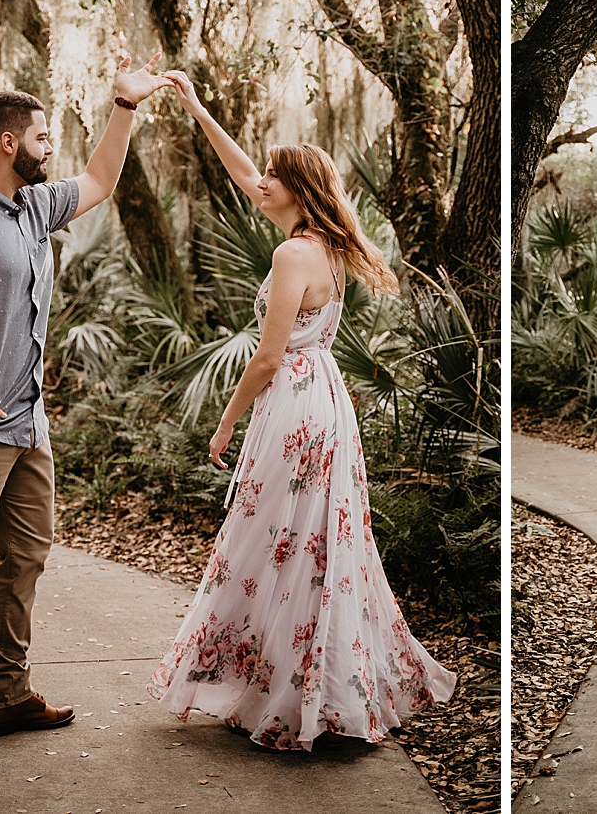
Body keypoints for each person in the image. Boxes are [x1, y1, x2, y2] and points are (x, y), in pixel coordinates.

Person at [147, 70, 455, 750]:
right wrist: (198, 105)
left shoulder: (293, 252)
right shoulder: (321, 245)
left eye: (274, 176)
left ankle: (298, 693)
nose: (261, 181)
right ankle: (289, 682)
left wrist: (226, 421)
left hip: (292, 402)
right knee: (311, 545)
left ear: (297, 189)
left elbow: (265, 356)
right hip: (322, 399)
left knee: (283, 542)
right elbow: (240, 170)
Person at [0, 54, 174, 775]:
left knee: (27, 555)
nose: (53, 149)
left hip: (26, 424)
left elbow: (105, 180)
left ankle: (7, 695)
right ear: (10, 142)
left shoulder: (33, 208)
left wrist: (124, 104)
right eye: (44, 137)